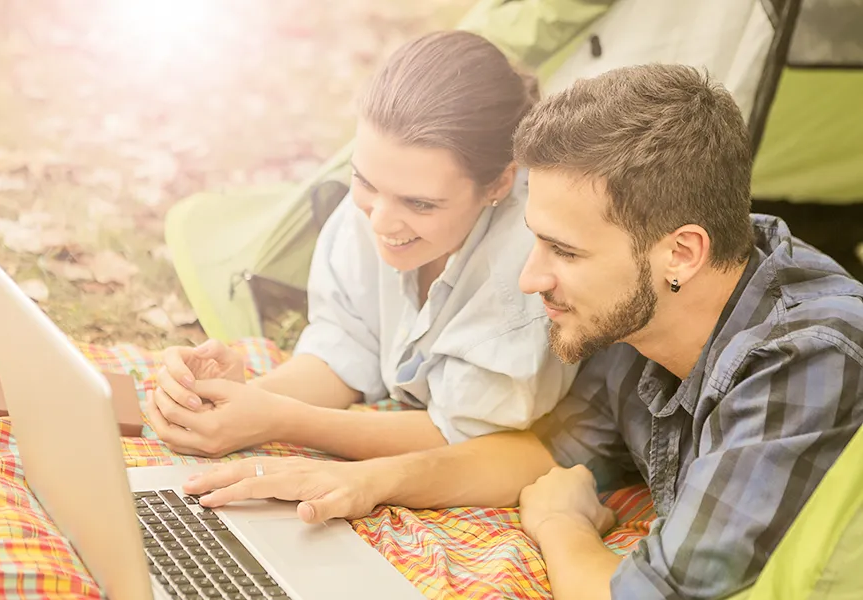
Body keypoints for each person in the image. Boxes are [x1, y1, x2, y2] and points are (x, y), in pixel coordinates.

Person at [182, 64, 863, 599]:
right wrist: (367, 482)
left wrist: (562, 526)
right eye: (535, 243)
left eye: (564, 252)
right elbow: (549, 453)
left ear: (681, 252)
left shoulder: (801, 361)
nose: (530, 279)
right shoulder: (648, 312)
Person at [147, 31, 577, 460]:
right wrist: (239, 397)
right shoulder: (372, 208)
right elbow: (348, 347)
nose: (381, 221)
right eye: (365, 182)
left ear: (500, 182)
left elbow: (462, 436)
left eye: (420, 203)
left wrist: (279, 419)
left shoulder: (528, 276)